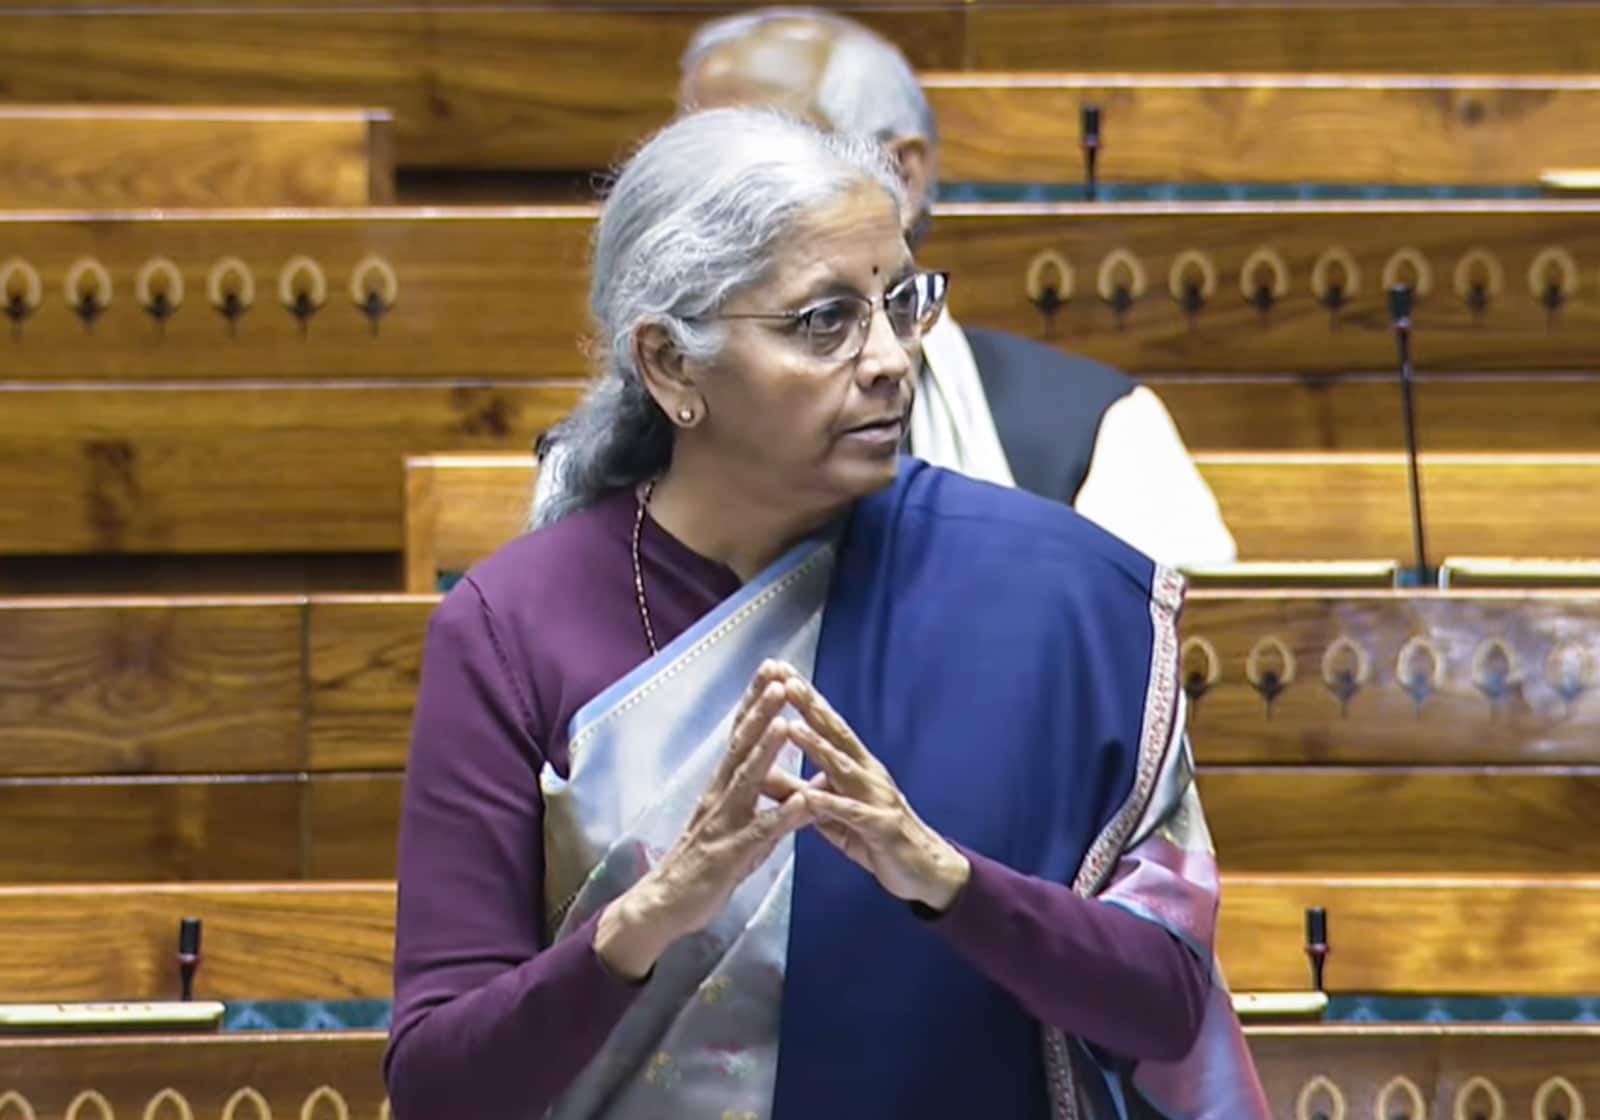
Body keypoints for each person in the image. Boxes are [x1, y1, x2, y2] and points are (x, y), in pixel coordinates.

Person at [385, 108, 1267, 1120]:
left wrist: (946, 880)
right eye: (825, 321)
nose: (891, 358)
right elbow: (438, 1087)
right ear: (671, 364)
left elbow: (1164, 1007)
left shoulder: (1058, 594)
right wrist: (649, 917)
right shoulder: (513, 627)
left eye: (902, 303)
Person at [676, 8, 1238, 570]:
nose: (702, 212)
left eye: (762, 175)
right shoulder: (650, 439)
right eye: (684, 171)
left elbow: (1182, 623)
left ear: (901, 176)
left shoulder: (1099, 432)